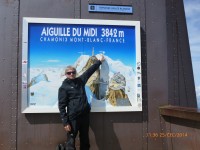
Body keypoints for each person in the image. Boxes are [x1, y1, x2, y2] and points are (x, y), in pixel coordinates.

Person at [58, 55, 105, 150]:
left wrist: (99, 62)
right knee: (71, 141)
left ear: (75, 73)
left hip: (84, 116)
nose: (71, 74)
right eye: (69, 73)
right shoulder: (64, 88)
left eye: (73, 72)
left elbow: (89, 71)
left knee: (85, 140)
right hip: (73, 118)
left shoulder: (80, 81)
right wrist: (65, 123)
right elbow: (62, 106)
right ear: (66, 74)